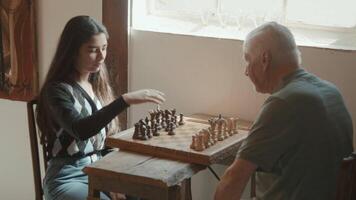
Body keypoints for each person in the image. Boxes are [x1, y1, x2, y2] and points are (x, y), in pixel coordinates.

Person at [214, 22, 353, 200]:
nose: (246, 71)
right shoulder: (331, 91)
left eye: (248, 61)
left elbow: (233, 180)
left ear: (265, 60)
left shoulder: (284, 103)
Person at [36, 15, 165, 200]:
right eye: (92, 50)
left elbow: (105, 144)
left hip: (99, 170)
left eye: (104, 48)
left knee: (151, 193)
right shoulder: (56, 91)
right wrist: (124, 100)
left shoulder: (97, 84)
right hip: (66, 177)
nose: (102, 56)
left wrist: (112, 180)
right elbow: (81, 129)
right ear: (73, 51)